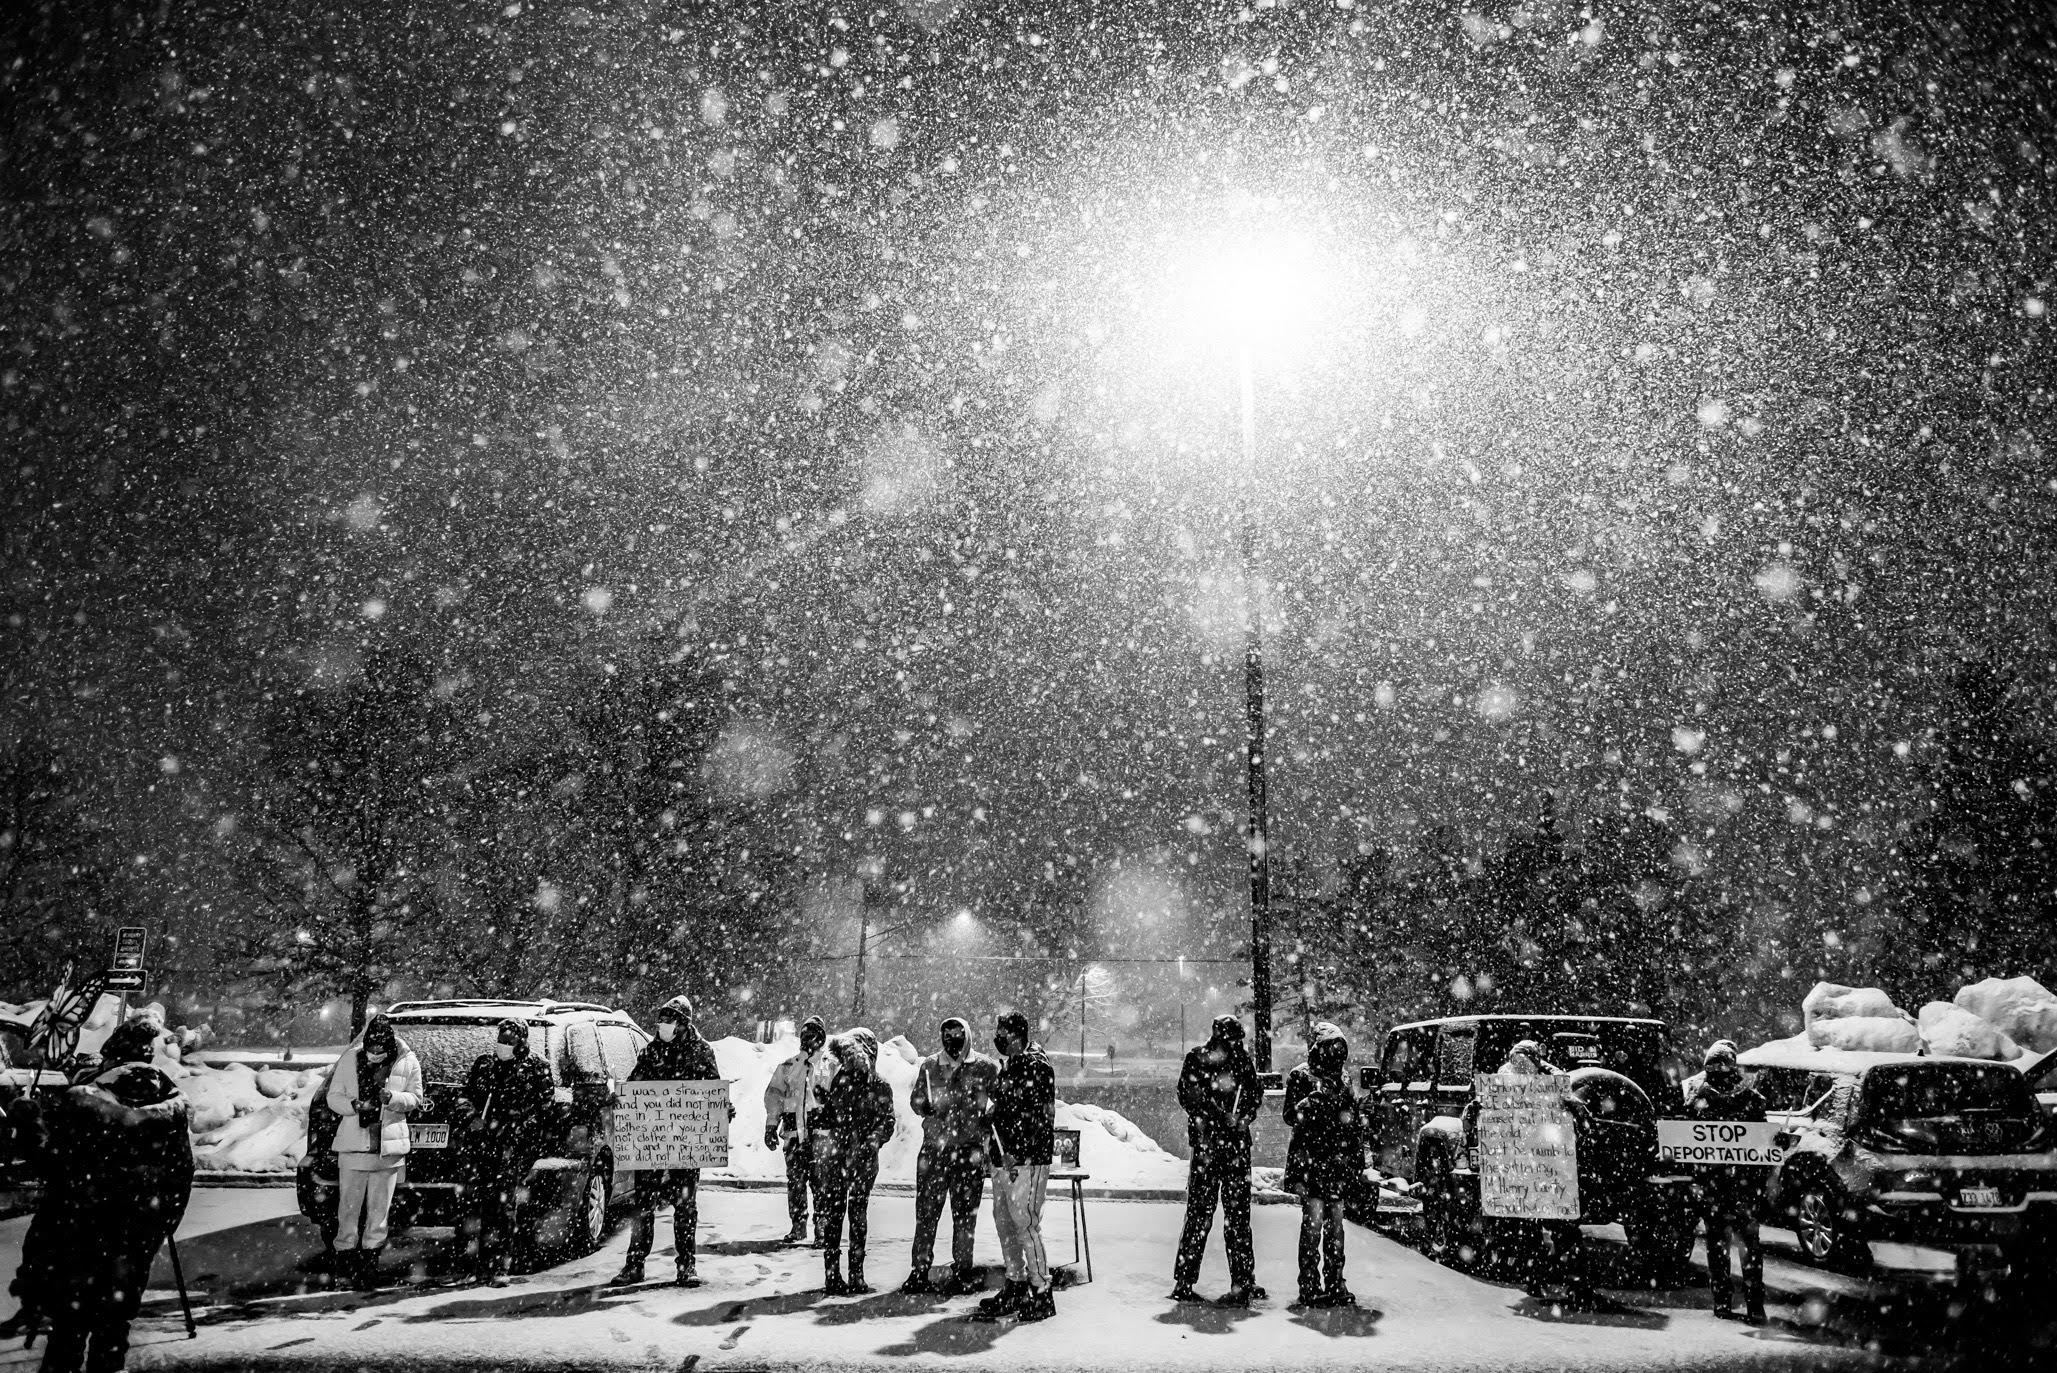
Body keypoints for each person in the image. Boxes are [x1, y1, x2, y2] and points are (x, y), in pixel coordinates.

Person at [13, 1019, 193, 1373]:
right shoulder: (170, 1109)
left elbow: (52, 1164)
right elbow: (181, 1174)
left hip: (79, 1232)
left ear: (113, 1062)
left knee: (69, 1328)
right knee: (114, 1328)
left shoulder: (84, 1103)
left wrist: (30, 1124)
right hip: (136, 1237)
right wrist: (156, 1227)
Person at [611, 995, 729, 1287]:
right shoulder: (651, 1051)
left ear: (683, 1024)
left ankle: (686, 1265)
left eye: (669, 1020)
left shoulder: (701, 1052)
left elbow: (711, 1089)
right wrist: (623, 1098)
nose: (663, 1025)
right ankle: (634, 1264)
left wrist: (721, 1108)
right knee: (643, 1204)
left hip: (685, 1141)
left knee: (685, 1205)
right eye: (661, 1019)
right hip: (653, 1139)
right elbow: (636, 1083)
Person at [1482, 1039, 1595, 1306]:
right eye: (1516, 1062)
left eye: (1525, 1062)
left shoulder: (1553, 1079)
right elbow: (1486, 1109)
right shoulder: (1502, 1079)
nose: (1520, 1067)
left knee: (1563, 1229)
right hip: (1521, 1168)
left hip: (1552, 1167)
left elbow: (1575, 1108)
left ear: (1535, 1061)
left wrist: (1576, 1114)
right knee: (1528, 1230)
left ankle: (1577, 1285)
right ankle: (1536, 1276)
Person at [326, 1012, 424, 1291]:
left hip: (387, 1148)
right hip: (354, 1146)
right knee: (348, 1209)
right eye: (371, 1050)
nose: (375, 1055)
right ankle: (344, 1264)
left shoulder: (407, 1061)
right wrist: (354, 1106)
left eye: (380, 1050)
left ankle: (368, 1267)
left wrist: (393, 1098)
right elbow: (334, 1096)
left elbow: (416, 1097)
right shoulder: (350, 1059)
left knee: (378, 1213)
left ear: (390, 1045)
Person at [1170, 1014, 1262, 1306]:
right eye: (1233, 1040)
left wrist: (1244, 1117)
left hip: (1222, 1147)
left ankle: (1239, 1280)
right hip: (1215, 1148)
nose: (1237, 1045)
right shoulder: (1199, 1059)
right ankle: (1191, 1280)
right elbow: (1189, 1096)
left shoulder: (1237, 1062)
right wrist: (1224, 1117)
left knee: (1226, 1216)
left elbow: (1254, 1096)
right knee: (1209, 1215)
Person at [970, 1012, 1057, 1324]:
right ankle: (1016, 1283)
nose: (998, 1038)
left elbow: (1038, 1116)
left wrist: (1017, 1149)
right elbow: (1006, 1110)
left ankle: (1041, 1291)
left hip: (1025, 1161)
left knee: (1026, 1224)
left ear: (1017, 1035)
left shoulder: (1035, 1064)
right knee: (1005, 1222)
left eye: (1002, 1033)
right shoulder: (1011, 1066)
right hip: (1004, 1159)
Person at [904, 1016, 998, 1295]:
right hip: (934, 1150)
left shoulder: (984, 1067)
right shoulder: (931, 1066)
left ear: (967, 1035)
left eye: (957, 1034)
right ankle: (919, 1271)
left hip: (968, 1151)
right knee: (926, 1214)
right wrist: (924, 1105)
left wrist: (986, 1119)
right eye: (947, 1034)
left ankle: (962, 1270)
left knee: (965, 1215)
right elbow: (915, 1101)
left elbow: (1001, 1101)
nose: (952, 1040)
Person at [460, 1018, 554, 1285]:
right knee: (473, 1205)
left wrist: (515, 1129)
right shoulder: (485, 1065)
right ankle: (472, 1265)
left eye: (510, 1041)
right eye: (501, 1039)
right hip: (480, 1146)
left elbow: (544, 1110)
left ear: (522, 1041)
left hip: (512, 1148)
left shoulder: (537, 1068)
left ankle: (500, 1264)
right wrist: (472, 1118)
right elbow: (466, 1097)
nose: (504, 1045)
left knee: (503, 1207)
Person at [1281, 1023, 1367, 1309]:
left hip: (1336, 1165)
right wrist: (1311, 1104)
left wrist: (1356, 1158)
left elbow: (1351, 1121)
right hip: (1313, 1164)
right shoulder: (1300, 1076)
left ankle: (1335, 1281)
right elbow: (1290, 1116)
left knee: (1336, 1228)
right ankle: (1309, 1284)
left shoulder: (1342, 1078)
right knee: (1314, 1225)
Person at [1687, 1042, 1769, 1324]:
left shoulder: (1750, 1100)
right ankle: (1732, 1300)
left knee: (1737, 1245)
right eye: (1713, 1066)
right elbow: (1686, 1142)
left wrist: (1775, 1142)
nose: (1717, 1072)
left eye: (1720, 1066)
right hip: (1722, 1186)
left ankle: (1744, 1301)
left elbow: (1764, 1145)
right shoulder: (1699, 1099)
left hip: (1734, 1186)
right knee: (1726, 1245)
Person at [812, 1028, 896, 1294]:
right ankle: (833, 1274)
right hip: (839, 1156)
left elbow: (887, 1121)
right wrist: (821, 1113)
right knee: (836, 1215)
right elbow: (829, 1116)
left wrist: (872, 1141)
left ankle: (855, 1273)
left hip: (862, 1159)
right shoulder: (839, 1081)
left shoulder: (880, 1085)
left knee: (856, 1215)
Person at [762, 1015, 833, 1245]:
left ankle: (822, 1228)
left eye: (813, 1034)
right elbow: (774, 1097)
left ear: (821, 1038)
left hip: (821, 1136)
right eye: (804, 1034)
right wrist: (771, 1126)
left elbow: (841, 1100)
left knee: (822, 1184)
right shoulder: (788, 1067)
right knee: (796, 1183)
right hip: (793, 1136)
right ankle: (798, 1226)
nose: (808, 1039)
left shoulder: (831, 1067)